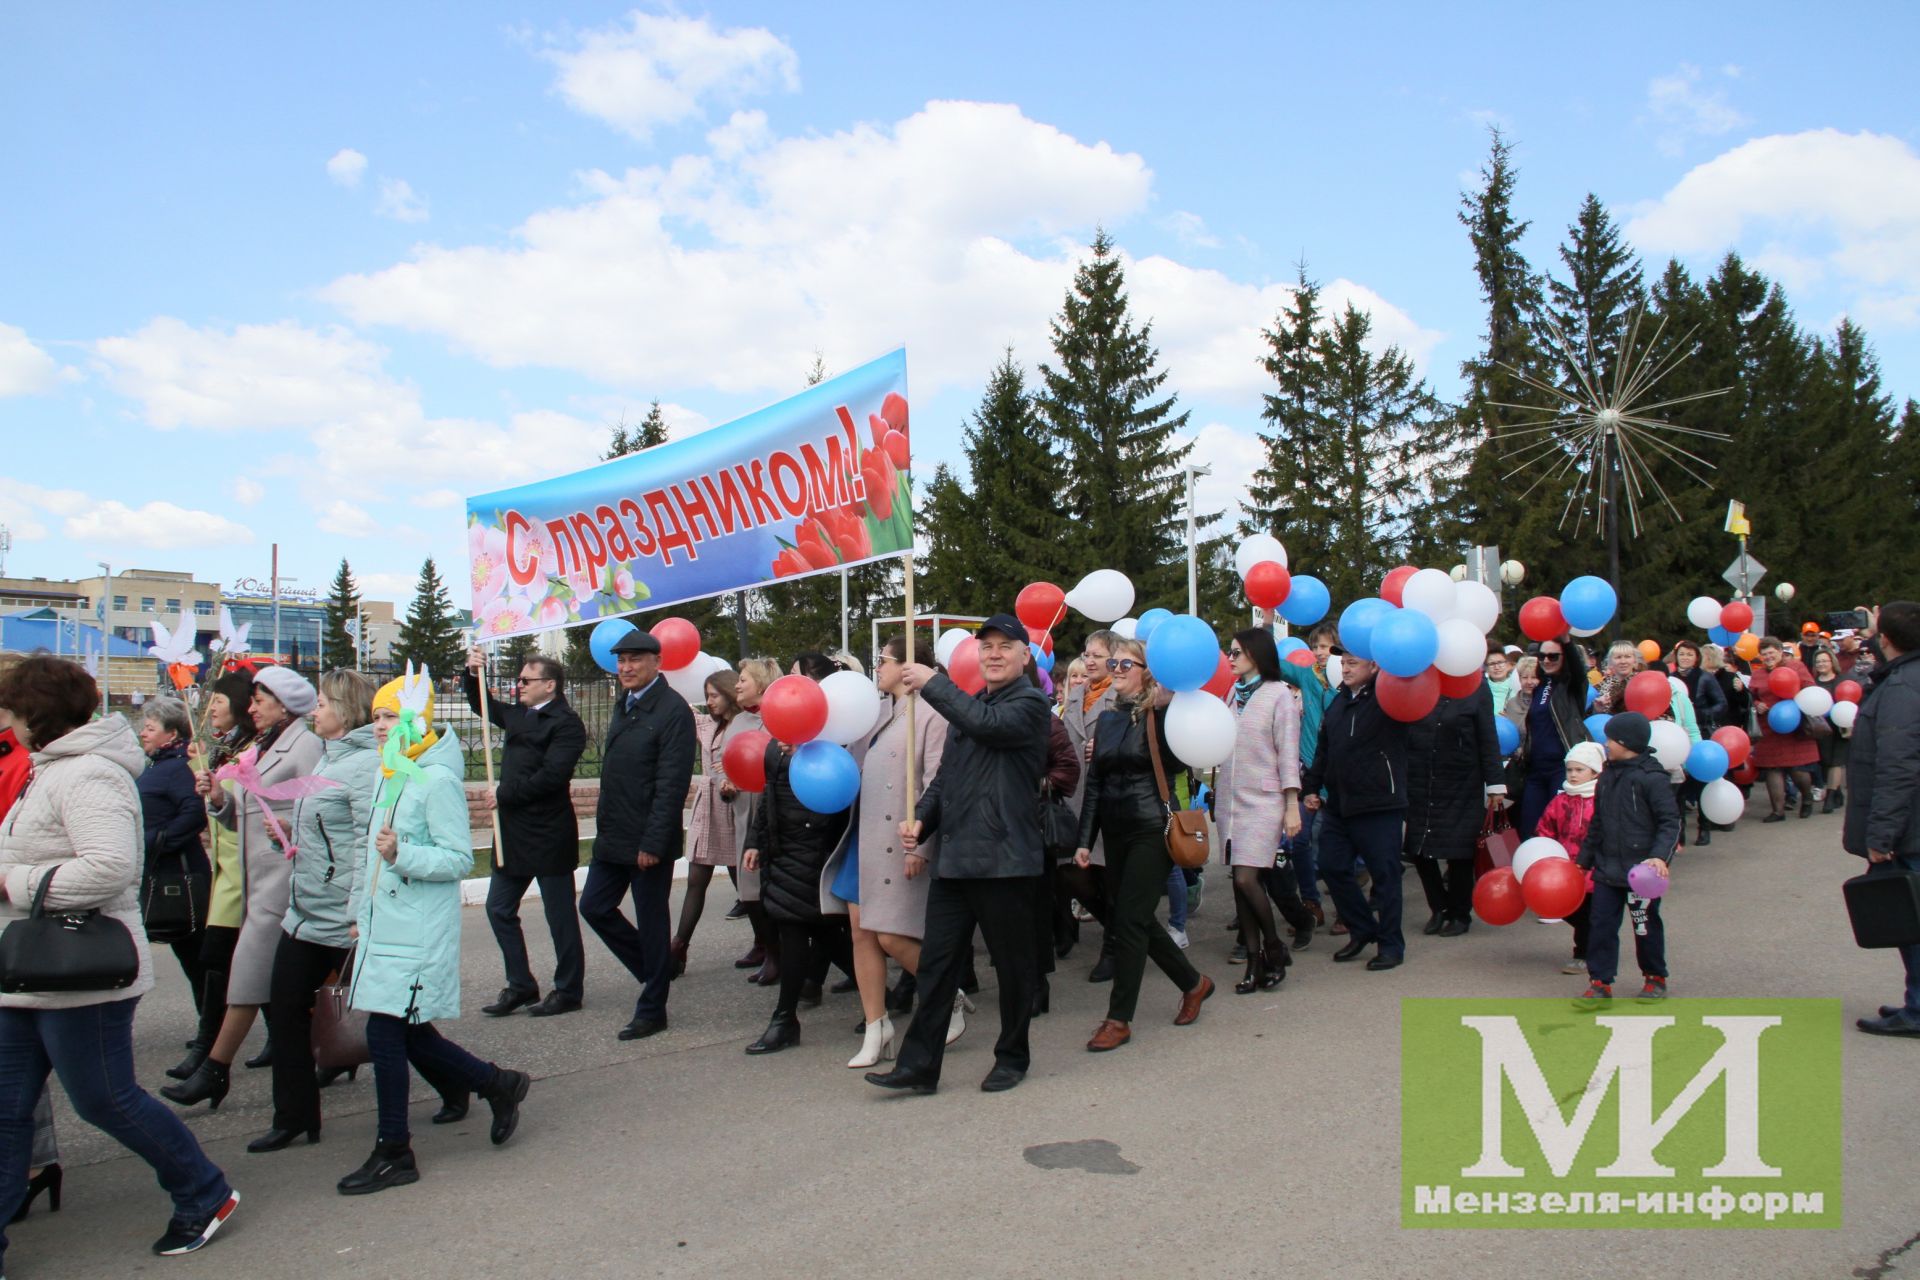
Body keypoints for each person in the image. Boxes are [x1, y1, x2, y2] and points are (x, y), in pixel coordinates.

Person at [0, 656, 240, 1262]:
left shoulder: (88, 775)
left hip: (83, 969)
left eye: (9, 708)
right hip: (28, 969)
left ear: (34, 714)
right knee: (4, 1111)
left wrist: (11, 883)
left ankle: (203, 1191)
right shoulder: (48, 768)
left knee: (104, 1099)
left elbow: (110, 869)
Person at [340, 669, 530, 1194]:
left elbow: (457, 858)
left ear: (414, 720)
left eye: (388, 716)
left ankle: (394, 1150)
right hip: (386, 926)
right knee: (409, 1033)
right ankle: (497, 1084)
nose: (377, 725)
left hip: (419, 931)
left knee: (386, 1032)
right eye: (375, 716)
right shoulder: (391, 771)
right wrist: (361, 911)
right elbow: (370, 854)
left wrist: (403, 854)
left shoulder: (436, 780)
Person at [867, 613, 1052, 1095]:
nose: (993, 653)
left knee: (1012, 968)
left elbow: (988, 726)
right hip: (955, 860)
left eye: (1004, 646)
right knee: (936, 967)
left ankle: (1012, 1056)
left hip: (1004, 861)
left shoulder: (1030, 705)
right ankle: (919, 1066)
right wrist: (923, 820)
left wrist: (932, 684)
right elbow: (946, 778)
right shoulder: (969, 707)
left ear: (1024, 654)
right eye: (985, 646)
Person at [166, 665, 324, 1110]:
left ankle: (215, 1067)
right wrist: (218, 797)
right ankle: (304, 1076)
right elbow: (246, 814)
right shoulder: (263, 745)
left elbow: (320, 810)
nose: (250, 707)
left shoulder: (305, 745)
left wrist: (291, 832)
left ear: (284, 704)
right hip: (254, 883)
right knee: (278, 991)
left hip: (283, 883)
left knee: (248, 976)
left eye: (259, 700)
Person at [248, 669, 380, 1153]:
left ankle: (478, 1082)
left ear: (344, 710)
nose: (315, 710)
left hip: (342, 918)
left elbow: (368, 839)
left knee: (388, 1022)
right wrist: (290, 829)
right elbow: (332, 830)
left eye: (323, 702)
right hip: (305, 915)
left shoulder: (365, 765)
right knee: (284, 1008)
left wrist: (357, 910)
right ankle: (295, 1116)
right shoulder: (329, 758)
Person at [1072, 635, 1216, 1050]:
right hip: (1115, 830)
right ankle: (1194, 983)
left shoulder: (1165, 715)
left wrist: (1170, 704)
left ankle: (1118, 1020)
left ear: (1146, 671)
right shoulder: (1111, 717)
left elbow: (1182, 759)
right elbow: (1095, 783)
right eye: (1112, 664)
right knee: (1132, 918)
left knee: (1130, 921)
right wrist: (1086, 840)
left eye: (1124, 665)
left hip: (1152, 829)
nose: (1115, 671)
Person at [580, 628, 697, 1041]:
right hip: (614, 834)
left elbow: (671, 783)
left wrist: (652, 842)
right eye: (621, 660)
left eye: (634, 660)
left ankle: (653, 1008)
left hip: (648, 840)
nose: (625, 668)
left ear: (656, 662)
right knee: (593, 906)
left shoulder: (672, 710)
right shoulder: (625, 704)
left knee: (651, 922)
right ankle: (655, 970)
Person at [463, 649, 588, 1018]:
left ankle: (568, 989)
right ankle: (520, 985)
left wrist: (503, 794)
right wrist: (473, 673)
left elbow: (552, 777)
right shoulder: (518, 715)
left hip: (548, 832)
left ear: (549, 685)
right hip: (513, 834)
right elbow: (481, 704)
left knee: (559, 916)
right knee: (499, 908)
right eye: (518, 680)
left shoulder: (566, 723)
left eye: (525, 681)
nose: (518, 686)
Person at [846, 636, 948, 1069]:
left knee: (892, 935)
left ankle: (949, 995)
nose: (877, 669)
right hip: (864, 838)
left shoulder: (932, 713)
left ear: (908, 666)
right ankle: (877, 1026)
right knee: (861, 932)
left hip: (902, 840)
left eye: (883, 661)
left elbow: (934, 781)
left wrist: (922, 844)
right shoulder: (879, 712)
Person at [166, 667, 258, 1082]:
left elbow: (243, 804)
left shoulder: (253, 751)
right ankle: (213, 1057)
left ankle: (209, 1057)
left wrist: (211, 775)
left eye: (218, 702)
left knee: (219, 960)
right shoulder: (224, 749)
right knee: (233, 963)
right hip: (226, 872)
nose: (211, 710)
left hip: (247, 874)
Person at [740, 727, 855, 1055]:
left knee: (795, 926)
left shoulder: (831, 745)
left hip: (814, 850)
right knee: (824, 933)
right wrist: (754, 841)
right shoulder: (775, 749)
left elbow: (839, 801)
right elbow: (769, 796)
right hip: (781, 851)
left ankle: (784, 1020)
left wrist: (805, 752)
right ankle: (883, 995)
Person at [1302, 652, 1410, 970]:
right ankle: (1362, 929)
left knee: (1385, 876)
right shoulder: (1338, 702)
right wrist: (1311, 786)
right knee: (1331, 866)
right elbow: (1324, 749)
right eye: (1343, 663)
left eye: (1353, 663)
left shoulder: (1389, 696)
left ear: (1374, 666)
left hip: (1379, 804)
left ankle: (1391, 944)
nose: (1345, 668)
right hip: (1339, 803)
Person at [1843, 601, 1920, 1036]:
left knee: (1912, 920)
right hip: (1911, 824)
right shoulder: (1905, 676)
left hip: (1909, 828)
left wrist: (1881, 835)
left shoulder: (1903, 689)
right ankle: (1915, 1001)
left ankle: (1919, 1009)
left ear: (1887, 640)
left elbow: (1898, 767)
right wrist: (1879, 632)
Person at [1216, 628, 1302, 992]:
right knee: (1239, 886)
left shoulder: (1278, 694)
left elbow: (1288, 752)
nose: (1231, 658)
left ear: (1256, 653)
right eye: (1230, 652)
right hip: (1230, 802)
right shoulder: (1232, 694)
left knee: (1246, 879)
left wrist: (1291, 802)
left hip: (1264, 800)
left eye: (1237, 652)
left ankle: (1274, 946)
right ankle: (1254, 964)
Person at [1573, 713, 1679, 1007]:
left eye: (1610, 739)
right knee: (1601, 925)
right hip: (1607, 868)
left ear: (1626, 743)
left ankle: (1655, 977)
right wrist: (1584, 860)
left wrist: (1659, 856)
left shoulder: (1652, 779)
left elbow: (1670, 822)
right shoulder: (1607, 776)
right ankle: (1600, 983)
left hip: (1641, 872)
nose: (1605, 744)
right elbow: (1598, 824)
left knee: (1644, 925)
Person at [1404, 679, 1507, 937]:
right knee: (1418, 846)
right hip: (1420, 776)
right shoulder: (1415, 678)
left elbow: (1487, 735)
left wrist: (1495, 784)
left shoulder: (1474, 684)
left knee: (1459, 849)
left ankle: (1460, 913)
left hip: (1461, 779)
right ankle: (1438, 907)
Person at [675, 667, 748, 976]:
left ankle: (768, 944)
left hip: (734, 806)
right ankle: (678, 947)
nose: (709, 702)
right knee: (696, 878)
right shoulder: (707, 725)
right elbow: (684, 710)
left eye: (714, 695)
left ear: (729, 693)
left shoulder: (744, 726)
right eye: (706, 696)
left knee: (744, 884)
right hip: (708, 806)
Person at [135, 697, 208, 1001]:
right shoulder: (156, 765)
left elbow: (194, 812)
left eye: (150, 728)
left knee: (196, 957)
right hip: (160, 870)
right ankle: (210, 1025)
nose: (142, 733)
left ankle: (213, 1029)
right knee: (190, 957)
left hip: (179, 873)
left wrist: (157, 840)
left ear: (172, 734)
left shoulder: (178, 768)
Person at [1058, 629, 1120, 978]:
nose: (1090, 660)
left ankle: (1112, 947)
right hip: (1076, 795)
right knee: (1072, 873)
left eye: (1097, 654)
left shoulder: (1122, 693)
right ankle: (1116, 926)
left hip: (1109, 798)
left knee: (1107, 875)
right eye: (1087, 653)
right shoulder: (1076, 693)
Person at [731, 658, 782, 984]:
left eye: (743, 679)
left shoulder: (778, 720)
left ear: (762, 684)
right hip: (741, 812)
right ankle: (768, 948)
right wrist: (727, 784)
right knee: (748, 891)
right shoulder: (737, 721)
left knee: (770, 891)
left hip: (770, 813)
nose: (737, 684)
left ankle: (778, 956)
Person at [1537, 741, 1605, 975]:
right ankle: (1597, 941)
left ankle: (1583, 954)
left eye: (1580, 770)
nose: (1573, 775)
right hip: (1565, 869)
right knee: (1568, 909)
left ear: (1595, 772)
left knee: (1587, 914)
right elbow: (1545, 829)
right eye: (1570, 770)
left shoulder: (1601, 800)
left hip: (1594, 870)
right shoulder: (1560, 800)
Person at [1513, 636, 1593, 837]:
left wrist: (1566, 640)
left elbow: (1578, 669)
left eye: (1553, 656)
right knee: (1529, 828)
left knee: (1560, 828)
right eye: (1542, 655)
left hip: (1562, 767)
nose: (1546, 660)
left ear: (1565, 657)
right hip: (1536, 769)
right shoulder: (1540, 686)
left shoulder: (1572, 686)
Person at [1751, 636, 1819, 822]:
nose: (1768, 657)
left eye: (1771, 653)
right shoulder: (1758, 674)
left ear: (1781, 652)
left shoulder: (1795, 667)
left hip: (1792, 724)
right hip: (1769, 725)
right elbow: (1753, 695)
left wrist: (1793, 698)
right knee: (1772, 768)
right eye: (1764, 654)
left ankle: (1806, 798)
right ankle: (1778, 811)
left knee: (1796, 768)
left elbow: (1810, 688)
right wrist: (1758, 704)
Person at [1811, 648, 1850, 814]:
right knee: (1826, 762)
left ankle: (1830, 797)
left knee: (1836, 761)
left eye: (1824, 661)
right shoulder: (1813, 683)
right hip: (1821, 728)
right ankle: (1837, 792)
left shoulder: (1842, 681)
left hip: (1841, 727)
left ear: (1832, 662)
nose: (1821, 664)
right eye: (1818, 661)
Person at [1672, 640, 1728, 735]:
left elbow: (1722, 704)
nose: (1685, 657)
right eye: (1681, 654)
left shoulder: (1705, 677)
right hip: (1677, 730)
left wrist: (1702, 714)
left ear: (1696, 658)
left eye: (1689, 655)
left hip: (1701, 730)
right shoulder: (1671, 678)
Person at [1502, 656, 1538, 726]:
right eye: (1525, 677)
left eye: (1534, 677)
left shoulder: (1546, 703)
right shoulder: (1511, 704)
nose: (1529, 682)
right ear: (1519, 679)